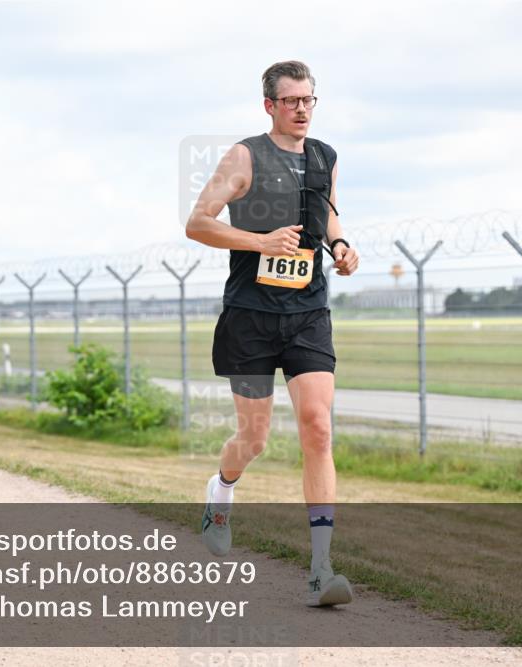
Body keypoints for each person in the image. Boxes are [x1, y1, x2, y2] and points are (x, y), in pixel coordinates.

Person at [186, 60, 360, 606]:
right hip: (251, 316)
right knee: (255, 439)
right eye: (291, 101)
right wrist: (261, 242)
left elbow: (326, 215)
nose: (302, 109)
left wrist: (340, 245)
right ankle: (221, 492)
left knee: (318, 428)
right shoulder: (244, 156)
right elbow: (198, 222)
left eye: (309, 100)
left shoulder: (325, 157)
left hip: (308, 312)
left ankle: (321, 569)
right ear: (270, 106)